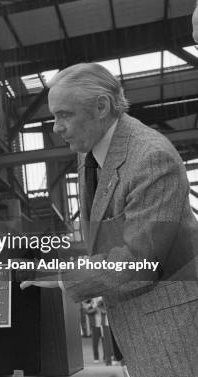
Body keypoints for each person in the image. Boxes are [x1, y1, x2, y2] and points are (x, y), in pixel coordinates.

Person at [21, 62, 198, 377]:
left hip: (171, 325)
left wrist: (62, 277)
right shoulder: (92, 150)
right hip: (136, 320)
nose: (55, 127)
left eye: (64, 115)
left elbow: (139, 261)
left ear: (101, 106)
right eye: (53, 116)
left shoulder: (151, 158)